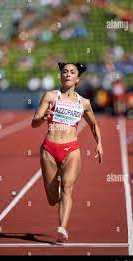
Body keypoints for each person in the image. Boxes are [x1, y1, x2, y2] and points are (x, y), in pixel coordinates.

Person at [31, 62, 103, 243]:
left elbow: (94, 124)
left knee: (68, 189)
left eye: (72, 72)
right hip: (49, 149)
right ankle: (53, 190)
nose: (68, 74)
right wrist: (43, 117)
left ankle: (62, 228)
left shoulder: (83, 103)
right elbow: (34, 122)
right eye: (65, 72)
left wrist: (99, 144)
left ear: (77, 79)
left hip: (71, 150)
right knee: (52, 198)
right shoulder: (50, 96)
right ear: (60, 76)